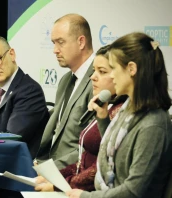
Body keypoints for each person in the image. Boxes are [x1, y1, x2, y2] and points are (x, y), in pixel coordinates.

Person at [66, 32, 172, 198]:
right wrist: (102, 118)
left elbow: (133, 191)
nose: (112, 75)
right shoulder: (129, 109)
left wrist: (84, 196)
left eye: (113, 68)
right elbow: (113, 152)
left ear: (131, 69)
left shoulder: (153, 123)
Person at [34, 45, 127, 192]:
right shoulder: (106, 106)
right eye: (94, 70)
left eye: (102, 71)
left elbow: (103, 166)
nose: (93, 77)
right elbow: (84, 158)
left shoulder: (123, 113)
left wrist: (58, 185)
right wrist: (54, 176)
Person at [35, 13, 95, 169]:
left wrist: (51, 169)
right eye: (53, 43)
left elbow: (92, 146)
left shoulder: (98, 80)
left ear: (81, 42)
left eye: (60, 42)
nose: (55, 50)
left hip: (73, 174)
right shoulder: (65, 80)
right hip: (48, 167)